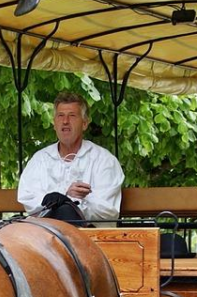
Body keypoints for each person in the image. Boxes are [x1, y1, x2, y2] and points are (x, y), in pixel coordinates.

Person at [17, 92, 124, 223]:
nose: (65, 121)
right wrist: (63, 195)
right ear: (54, 123)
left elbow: (108, 211)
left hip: (91, 236)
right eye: (60, 116)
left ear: (84, 123)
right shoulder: (40, 160)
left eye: (72, 116)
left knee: (66, 212)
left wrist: (71, 203)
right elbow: (28, 199)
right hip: (46, 235)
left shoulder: (104, 160)